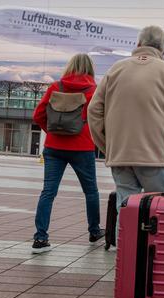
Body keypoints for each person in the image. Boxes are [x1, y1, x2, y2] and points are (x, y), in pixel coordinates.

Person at [87, 25, 164, 212]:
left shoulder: (115, 69)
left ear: (139, 44)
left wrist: (107, 145)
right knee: (160, 210)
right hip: (155, 156)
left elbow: (94, 110)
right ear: (163, 50)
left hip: (120, 155)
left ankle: (124, 242)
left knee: (125, 209)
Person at [32, 53, 105, 253]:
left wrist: (53, 133)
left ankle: (40, 238)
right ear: (90, 68)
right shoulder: (94, 91)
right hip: (82, 148)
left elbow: (38, 115)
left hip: (54, 148)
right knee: (91, 191)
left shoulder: (56, 87)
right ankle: (94, 230)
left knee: (48, 192)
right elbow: (101, 119)